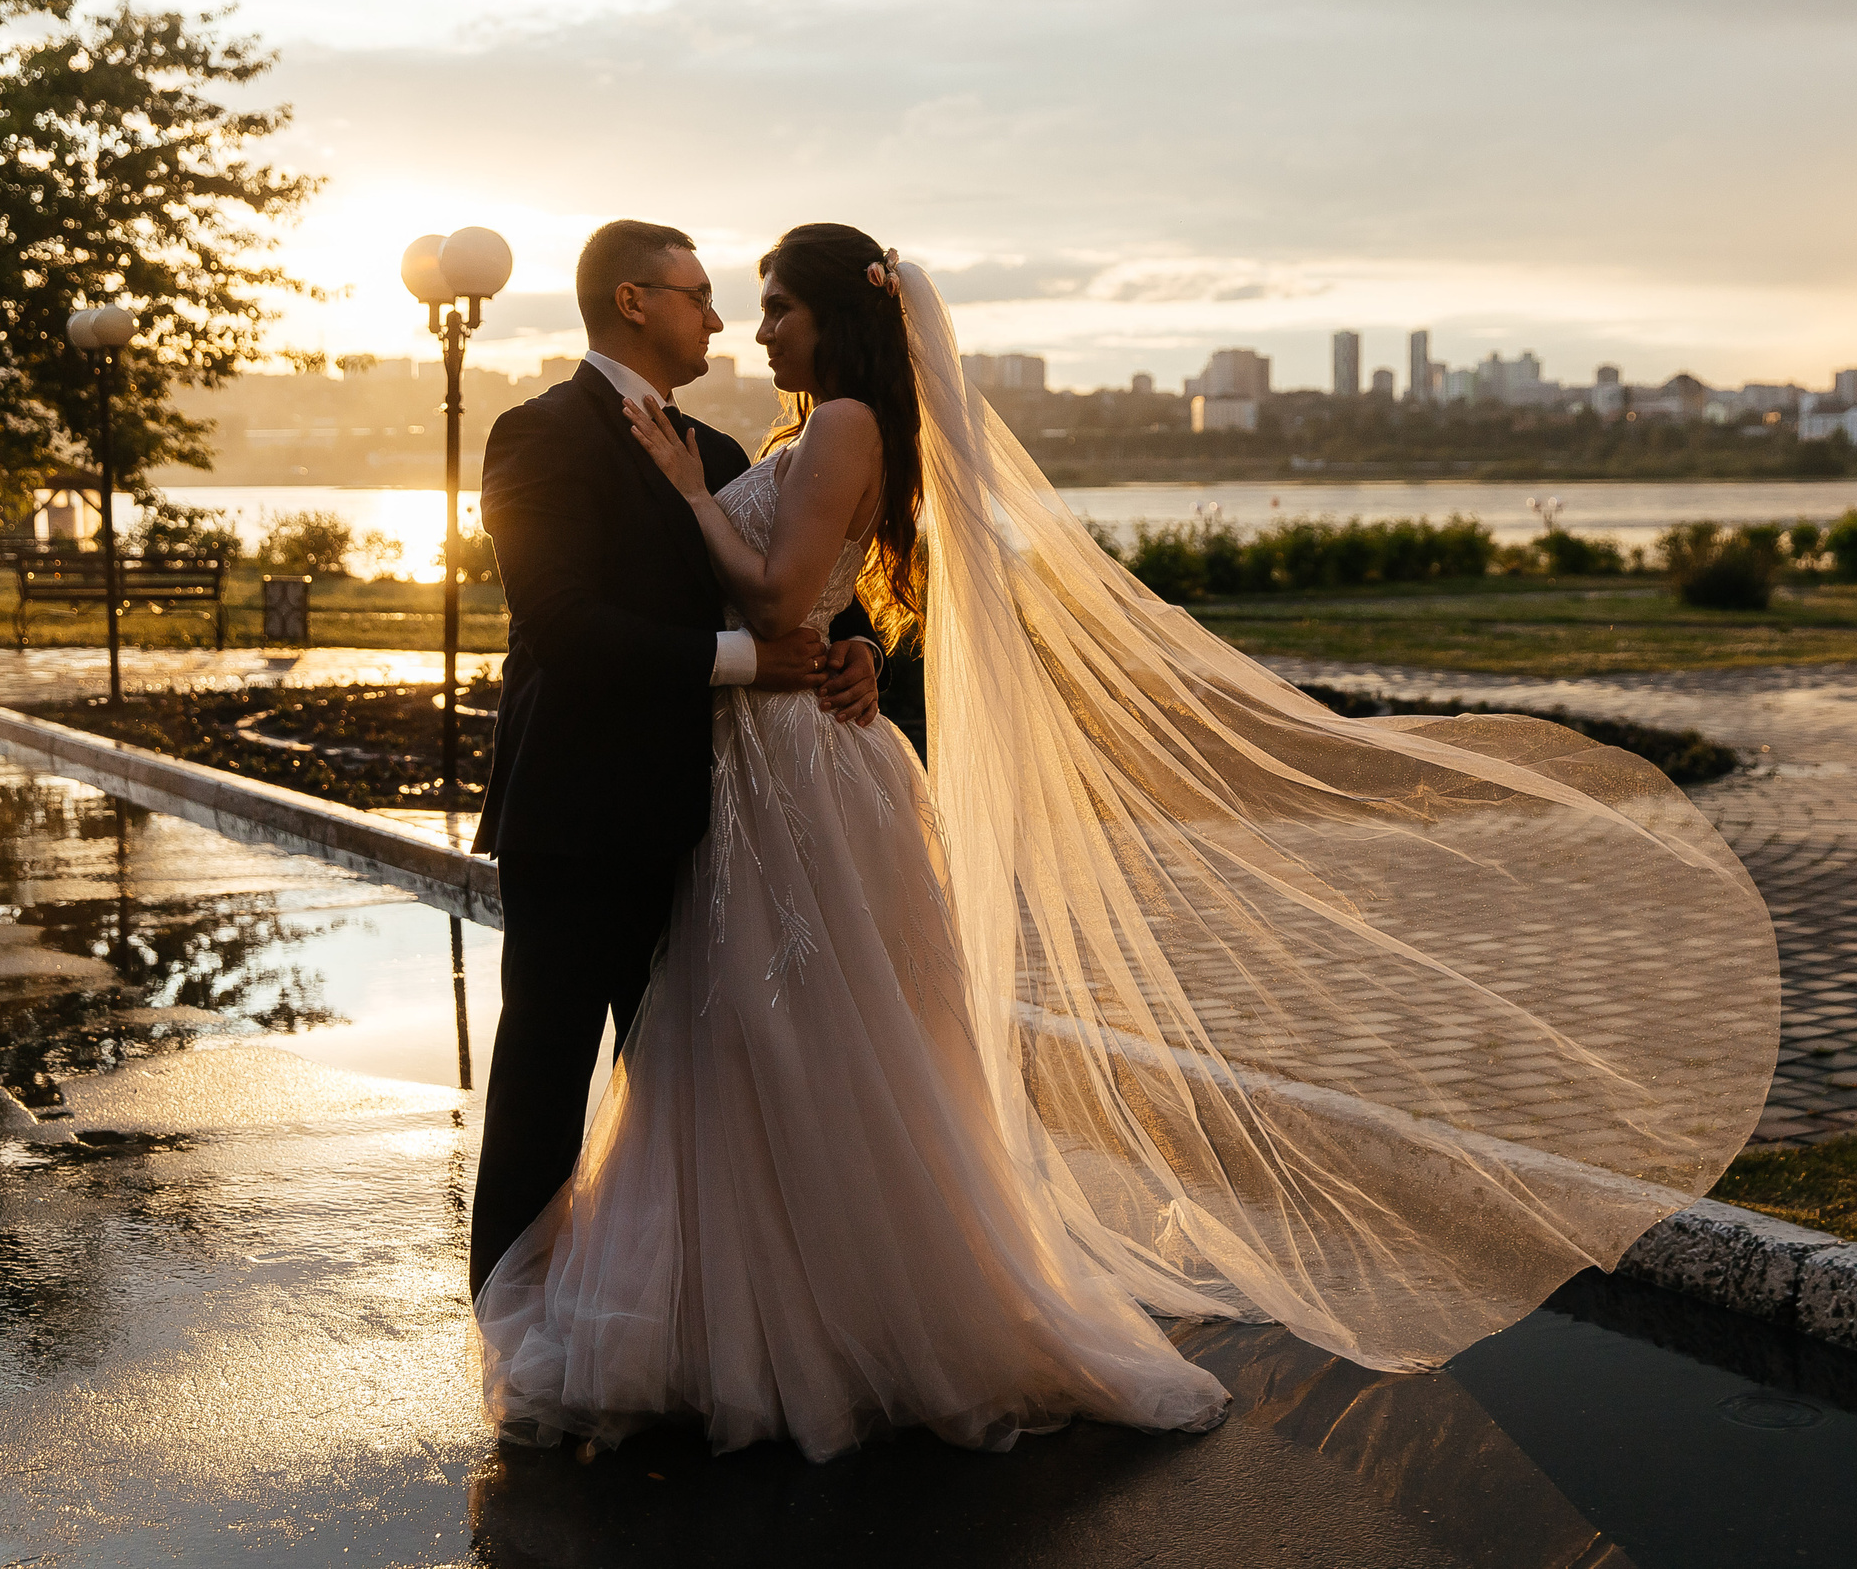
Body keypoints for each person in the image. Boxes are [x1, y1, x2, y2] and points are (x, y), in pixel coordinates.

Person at [473, 224, 1781, 1462]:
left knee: (808, 1047)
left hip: (786, 778)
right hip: (676, 789)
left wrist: (790, 604)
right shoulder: (625, 434)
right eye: (720, 297)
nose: (741, 321)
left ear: (833, 318)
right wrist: (803, 626)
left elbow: (782, 579)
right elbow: (633, 610)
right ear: (637, 301)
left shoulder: (741, 439)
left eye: (768, 304)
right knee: (710, 1053)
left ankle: (832, 1318)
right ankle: (675, 1309)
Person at [466, 220, 884, 1300]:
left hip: (715, 825)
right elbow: (558, 625)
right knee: (545, 1083)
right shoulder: (534, 434)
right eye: (697, 294)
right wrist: (752, 660)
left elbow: (782, 586)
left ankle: (669, 1313)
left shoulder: (723, 455)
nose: (719, 318)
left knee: (691, 1096)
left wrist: (857, 653)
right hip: (579, 814)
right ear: (633, 300)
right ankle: (508, 1320)